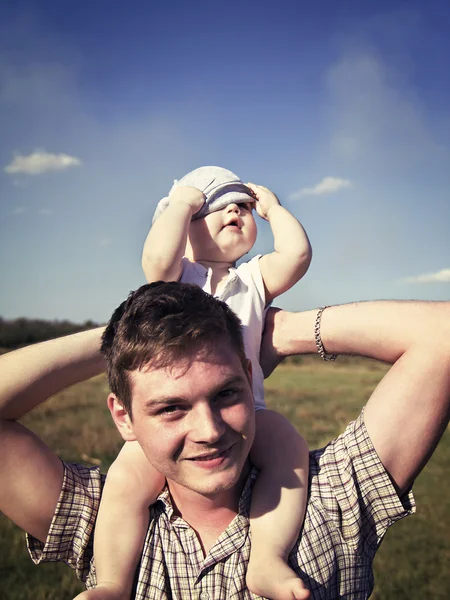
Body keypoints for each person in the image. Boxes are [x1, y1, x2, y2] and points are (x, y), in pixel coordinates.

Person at [0, 285, 449, 600]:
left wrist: (285, 331)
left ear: (249, 379)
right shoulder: (107, 521)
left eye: (226, 394)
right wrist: (118, 342)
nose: (210, 430)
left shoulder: (331, 498)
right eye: (171, 408)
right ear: (124, 417)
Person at [92, 166, 313, 600]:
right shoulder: (179, 276)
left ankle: (267, 557)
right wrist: (180, 203)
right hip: (179, 413)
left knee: (289, 448)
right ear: (183, 226)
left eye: (242, 206)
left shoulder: (253, 277)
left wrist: (273, 209)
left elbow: (297, 256)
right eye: (213, 205)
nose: (234, 209)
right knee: (125, 482)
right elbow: (155, 261)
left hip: (248, 408)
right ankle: (113, 583)